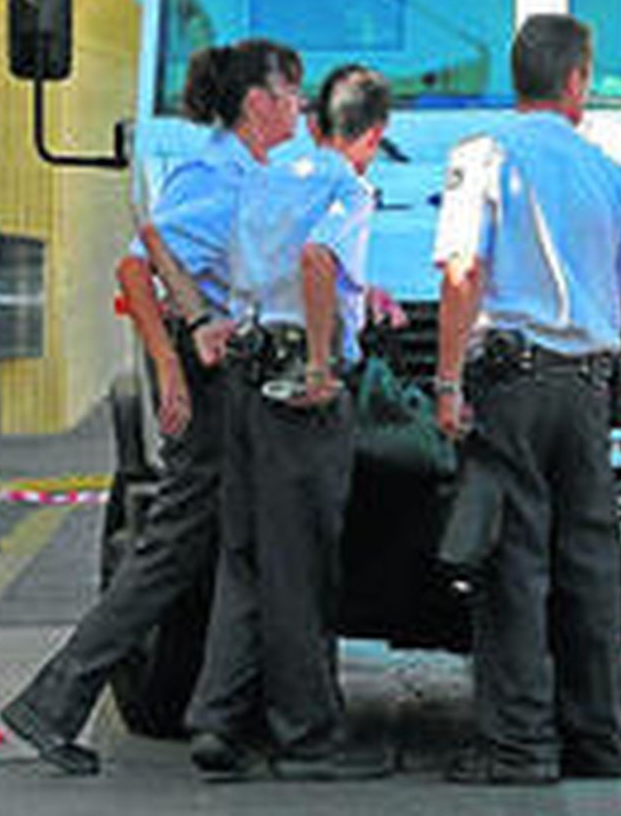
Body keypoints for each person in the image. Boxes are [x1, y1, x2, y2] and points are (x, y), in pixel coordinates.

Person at [2, 39, 305, 774]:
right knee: (172, 553)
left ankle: (224, 714)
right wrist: (173, 363)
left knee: (218, 551)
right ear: (257, 104)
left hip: (229, 382)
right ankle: (57, 701)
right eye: (291, 92)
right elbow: (139, 265)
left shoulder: (251, 172)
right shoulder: (216, 174)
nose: (300, 105)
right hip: (213, 392)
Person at [432, 13, 621, 785]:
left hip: (512, 384)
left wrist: (447, 380)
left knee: (513, 565)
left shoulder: (483, 157)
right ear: (575, 82)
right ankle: (598, 739)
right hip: (589, 387)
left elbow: (463, 271)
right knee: (591, 563)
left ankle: (520, 746)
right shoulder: (609, 171)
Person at [183, 64, 393, 781]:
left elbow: (188, 246)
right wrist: (320, 364)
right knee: (300, 562)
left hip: (243, 371)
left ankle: (215, 719)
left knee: (243, 557)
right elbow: (316, 257)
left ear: (312, 121)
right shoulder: (348, 186)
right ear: (373, 135)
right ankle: (306, 737)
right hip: (292, 385)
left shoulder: (265, 174)